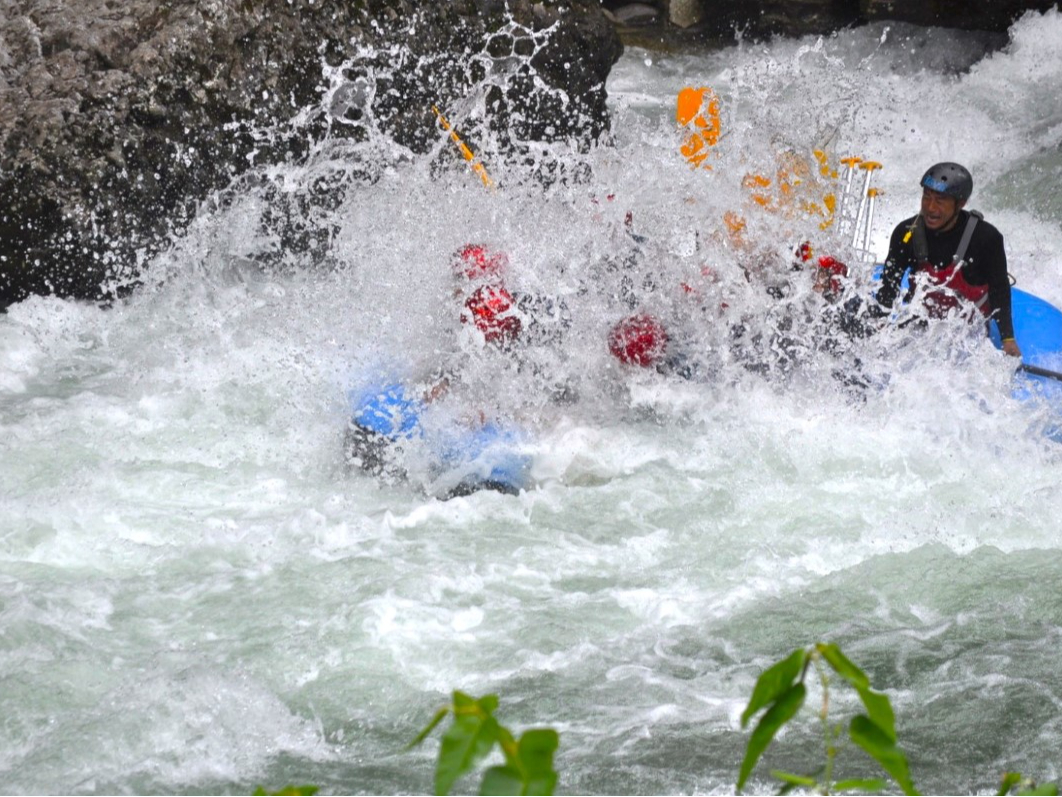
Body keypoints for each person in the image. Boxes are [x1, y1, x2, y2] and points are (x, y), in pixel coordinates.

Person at [876, 162, 1021, 357]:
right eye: (926, 197)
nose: (930, 207)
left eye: (940, 200)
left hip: (967, 331)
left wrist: (1008, 339)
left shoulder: (986, 238)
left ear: (960, 204)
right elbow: (889, 287)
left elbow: (999, 289)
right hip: (921, 323)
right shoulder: (906, 233)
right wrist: (878, 324)